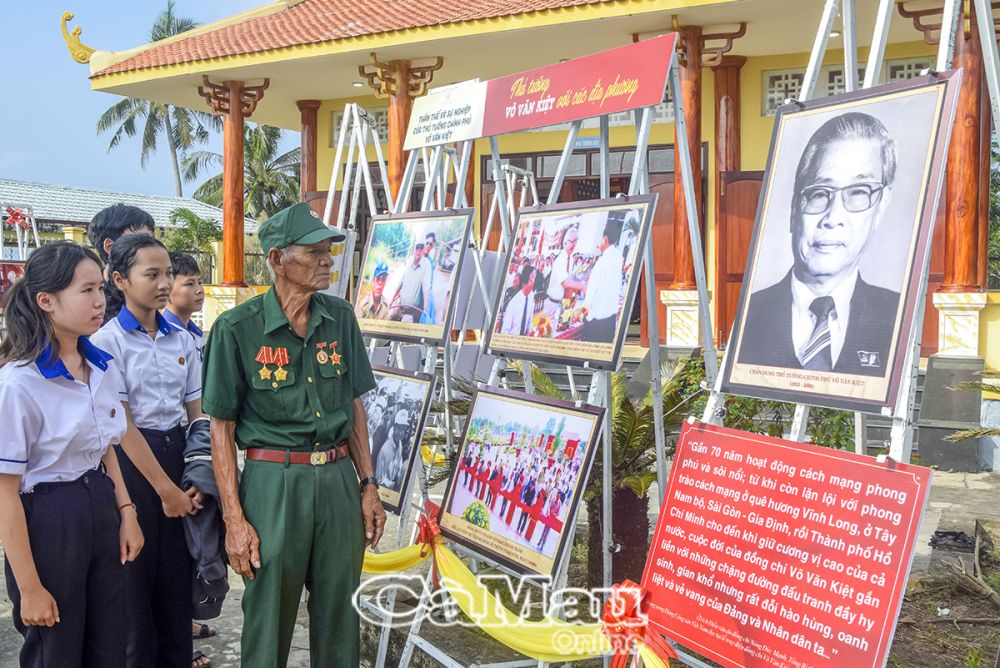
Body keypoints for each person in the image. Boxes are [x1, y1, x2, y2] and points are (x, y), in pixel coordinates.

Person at [201, 202, 386, 667]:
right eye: (315, 252)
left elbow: (354, 404)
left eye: (330, 251)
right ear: (278, 260)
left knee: (341, 612)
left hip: (339, 481)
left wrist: (369, 485)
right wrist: (234, 521)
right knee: (268, 616)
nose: (328, 260)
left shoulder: (340, 318)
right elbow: (220, 430)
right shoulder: (235, 330)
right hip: (272, 484)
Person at [0, 242, 144, 668]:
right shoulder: (18, 384)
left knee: (109, 642)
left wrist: (126, 510)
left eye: (101, 288)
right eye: (86, 291)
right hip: (50, 518)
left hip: (99, 502)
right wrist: (28, 586)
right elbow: (6, 494)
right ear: (46, 300)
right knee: (56, 648)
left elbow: (105, 448)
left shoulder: (99, 365)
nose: (100, 300)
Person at [91, 234, 206, 668]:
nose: (164, 283)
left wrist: (196, 479)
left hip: (180, 456)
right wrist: (165, 491)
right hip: (134, 465)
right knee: (134, 586)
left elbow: (196, 414)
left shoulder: (184, 340)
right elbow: (122, 425)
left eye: (168, 274)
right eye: (151, 274)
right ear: (120, 279)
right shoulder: (107, 344)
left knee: (177, 583)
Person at [737, 112, 900, 376]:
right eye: (818, 194)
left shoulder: (897, 316)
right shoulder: (751, 314)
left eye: (858, 192)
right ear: (794, 210)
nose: (832, 218)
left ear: (881, 207)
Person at [86, 204, 156, 323]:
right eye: (142, 241)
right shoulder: (92, 303)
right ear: (110, 247)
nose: (152, 248)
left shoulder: (154, 291)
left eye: (152, 240)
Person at [579, 216, 626, 343]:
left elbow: (591, 293)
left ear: (605, 239)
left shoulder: (603, 261)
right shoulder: (618, 258)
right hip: (610, 320)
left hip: (597, 320)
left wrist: (585, 311)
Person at [164, 252, 206, 361]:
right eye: (189, 284)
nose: (199, 290)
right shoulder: (164, 337)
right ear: (166, 289)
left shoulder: (193, 332)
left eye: (200, 282)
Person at [542, 225, 582, 322]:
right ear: (564, 243)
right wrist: (582, 287)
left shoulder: (571, 258)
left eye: (575, 240)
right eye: (571, 241)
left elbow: (571, 278)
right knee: (547, 332)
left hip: (563, 303)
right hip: (552, 303)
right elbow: (565, 283)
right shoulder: (560, 259)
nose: (573, 244)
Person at [390, 242, 431, 322]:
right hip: (399, 306)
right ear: (414, 250)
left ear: (423, 252)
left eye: (420, 249)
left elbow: (426, 288)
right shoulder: (410, 261)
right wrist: (391, 300)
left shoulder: (426, 264)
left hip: (410, 313)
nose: (418, 252)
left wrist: (426, 308)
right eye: (417, 249)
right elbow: (401, 282)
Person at [375, 410, 410, 492]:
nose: (401, 433)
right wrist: (393, 484)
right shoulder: (384, 450)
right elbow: (379, 480)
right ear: (394, 427)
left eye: (403, 429)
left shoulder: (400, 443)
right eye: (399, 428)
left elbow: (399, 461)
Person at [499, 265, 537, 336]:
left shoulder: (531, 296)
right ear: (524, 283)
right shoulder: (513, 304)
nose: (534, 282)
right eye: (532, 279)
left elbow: (530, 320)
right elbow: (505, 331)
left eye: (534, 278)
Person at [420, 232, 437, 324]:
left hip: (426, 291)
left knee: (431, 307)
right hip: (417, 289)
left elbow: (430, 283)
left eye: (430, 244)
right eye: (426, 243)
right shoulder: (418, 256)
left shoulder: (430, 262)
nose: (428, 246)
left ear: (432, 246)